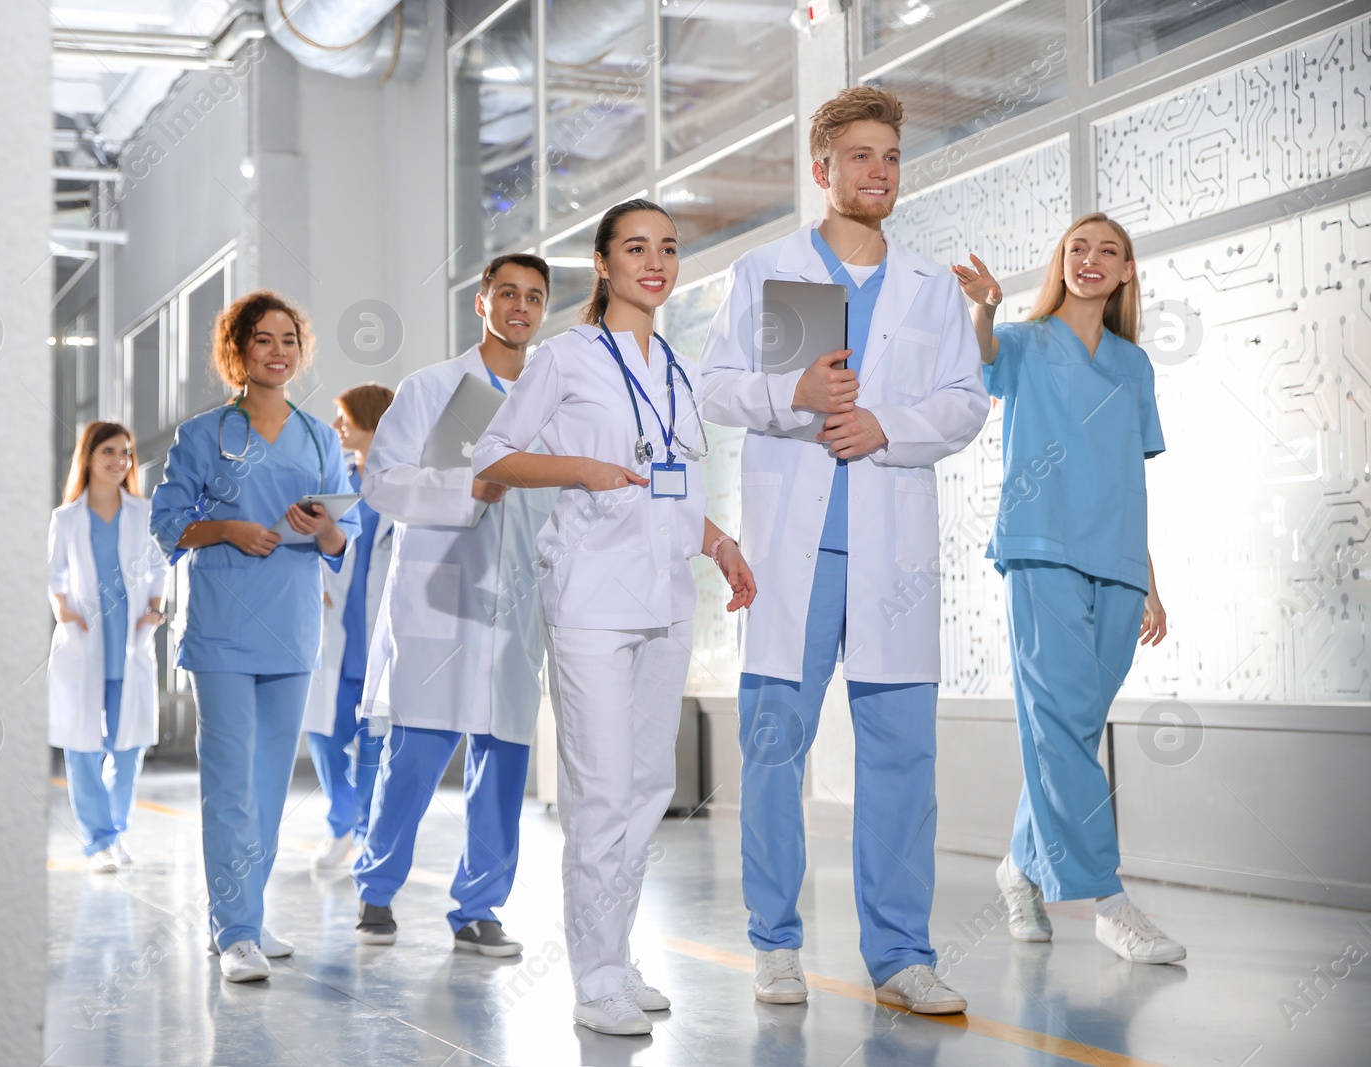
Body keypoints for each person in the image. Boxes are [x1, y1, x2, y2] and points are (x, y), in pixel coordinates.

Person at [697, 86, 988, 1014]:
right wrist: (798, 395)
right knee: (775, 743)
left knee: (902, 756)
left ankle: (901, 953)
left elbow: (964, 404)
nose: (878, 172)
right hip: (796, 549)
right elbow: (714, 387)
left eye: (891, 157)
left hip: (890, 553)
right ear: (821, 169)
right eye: (860, 155)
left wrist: (883, 425)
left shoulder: (932, 287)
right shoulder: (771, 273)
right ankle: (775, 945)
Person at [475, 201, 757, 1037]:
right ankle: (593, 975)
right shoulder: (564, 358)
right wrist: (583, 469)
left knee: (645, 787)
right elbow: (493, 455)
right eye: (636, 248)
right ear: (603, 263)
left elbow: (665, 480)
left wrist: (720, 541)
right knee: (598, 791)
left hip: (667, 594)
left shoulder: (672, 362)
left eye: (668, 248)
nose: (656, 261)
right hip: (593, 597)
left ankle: (618, 954)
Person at [953, 213, 1183, 965]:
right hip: (1040, 550)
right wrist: (985, 306)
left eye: (1107, 252)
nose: (1090, 259)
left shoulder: (1134, 366)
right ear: (1061, 262)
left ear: (1125, 273)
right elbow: (982, 357)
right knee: (1057, 722)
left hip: (1117, 563)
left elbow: (1127, 478)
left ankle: (1019, 866)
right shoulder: (1024, 340)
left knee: (1072, 731)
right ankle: (1106, 900)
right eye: (1077, 248)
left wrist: (1148, 579)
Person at [350, 254, 557, 960]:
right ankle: (376, 886)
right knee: (416, 752)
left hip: (515, 602)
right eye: (507, 293)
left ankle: (479, 906)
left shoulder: (554, 397)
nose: (520, 307)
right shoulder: (433, 387)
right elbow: (383, 482)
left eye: (534, 296)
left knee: (502, 757)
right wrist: (471, 488)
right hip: (438, 600)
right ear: (482, 302)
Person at [149, 290, 359, 983]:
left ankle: (248, 911)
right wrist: (230, 528)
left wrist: (320, 526)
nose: (277, 351)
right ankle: (233, 928)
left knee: (271, 784)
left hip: (292, 625)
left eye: (288, 340)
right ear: (236, 350)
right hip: (224, 626)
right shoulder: (202, 434)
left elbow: (339, 533)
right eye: (262, 340)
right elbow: (169, 521)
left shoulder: (319, 436)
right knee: (230, 782)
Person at [47, 421, 169, 874]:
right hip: (83, 647)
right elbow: (54, 574)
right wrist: (63, 611)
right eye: (110, 452)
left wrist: (155, 610)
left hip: (130, 645)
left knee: (128, 748)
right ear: (89, 457)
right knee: (81, 749)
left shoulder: (143, 512)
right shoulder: (67, 518)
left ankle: (116, 831)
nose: (120, 461)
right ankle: (97, 839)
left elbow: (158, 569)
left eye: (127, 453)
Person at [304, 383, 396, 869]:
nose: (338, 427)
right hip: (336, 632)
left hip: (383, 632)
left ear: (372, 421)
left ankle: (363, 830)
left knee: (374, 741)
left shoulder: (402, 484)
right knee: (323, 733)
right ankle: (342, 822)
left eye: (345, 418)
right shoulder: (334, 480)